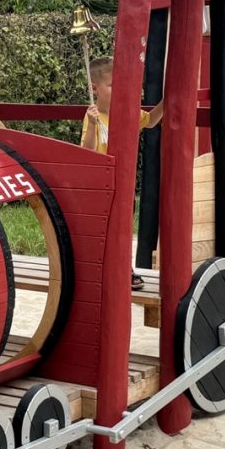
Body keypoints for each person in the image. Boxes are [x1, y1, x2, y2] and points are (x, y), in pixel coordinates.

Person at [79, 56, 164, 291]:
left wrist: (168, 100)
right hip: (99, 187)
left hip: (123, 184)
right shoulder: (93, 116)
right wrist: (93, 125)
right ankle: (99, 269)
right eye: (111, 85)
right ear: (95, 88)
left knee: (124, 229)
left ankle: (125, 269)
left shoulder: (128, 112)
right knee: (102, 231)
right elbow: (86, 152)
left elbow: (151, 121)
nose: (118, 90)